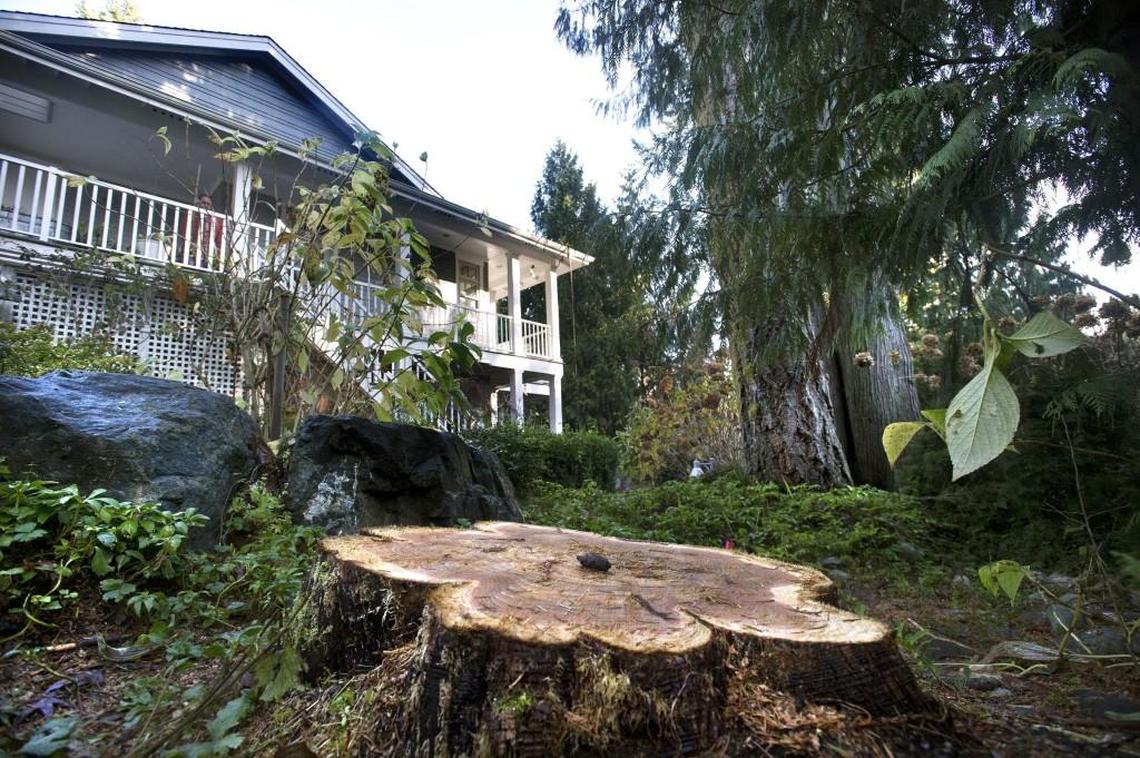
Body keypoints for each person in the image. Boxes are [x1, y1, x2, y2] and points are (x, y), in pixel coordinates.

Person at [178, 193, 224, 263]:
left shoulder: (215, 221)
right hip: (191, 251)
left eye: (208, 204)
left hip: (207, 254)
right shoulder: (191, 216)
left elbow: (219, 241)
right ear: (198, 204)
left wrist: (217, 253)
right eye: (203, 203)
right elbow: (183, 232)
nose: (206, 205)